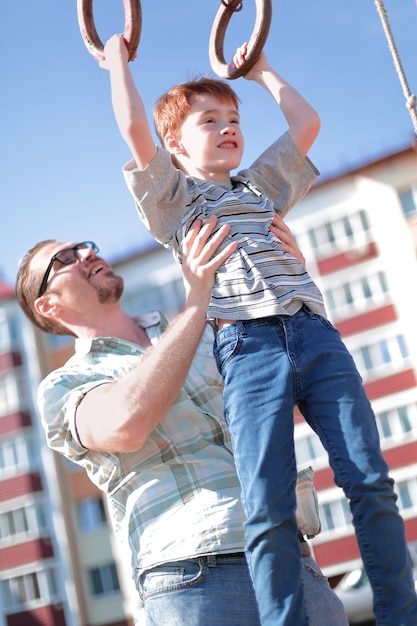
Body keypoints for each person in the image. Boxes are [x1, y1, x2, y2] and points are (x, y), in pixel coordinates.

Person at [99, 34, 417, 626]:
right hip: (248, 347)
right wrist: (117, 60)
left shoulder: (260, 186)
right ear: (175, 143)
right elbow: (134, 129)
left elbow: (307, 121)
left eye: (234, 118)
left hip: (314, 333)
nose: (228, 128)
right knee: (268, 503)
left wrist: (261, 69)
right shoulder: (174, 200)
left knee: (370, 481)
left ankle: (402, 614)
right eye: (209, 120)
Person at [16, 217, 349, 626]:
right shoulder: (64, 384)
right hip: (194, 575)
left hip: (287, 555)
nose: (87, 253)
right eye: (65, 258)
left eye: (84, 245)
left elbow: (296, 384)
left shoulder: (206, 333)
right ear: (48, 305)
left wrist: (295, 292)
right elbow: (125, 424)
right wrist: (196, 301)